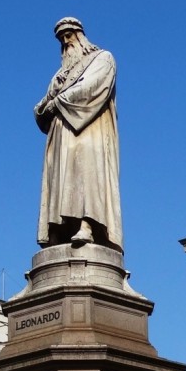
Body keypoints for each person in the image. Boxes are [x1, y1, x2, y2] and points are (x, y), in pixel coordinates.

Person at [34, 17, 123, 252]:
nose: (65, 41)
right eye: (61, 39)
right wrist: (44, 105)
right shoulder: (59, 75)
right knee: (61, 179)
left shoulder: (102, 58)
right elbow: (44, 104)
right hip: (61, 135)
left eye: (69, 35)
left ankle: (88, 225)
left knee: (86, 176)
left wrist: (58, 102)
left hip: (89, 130)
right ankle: (60, 229)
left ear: (80, 35)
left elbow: (92, 88)